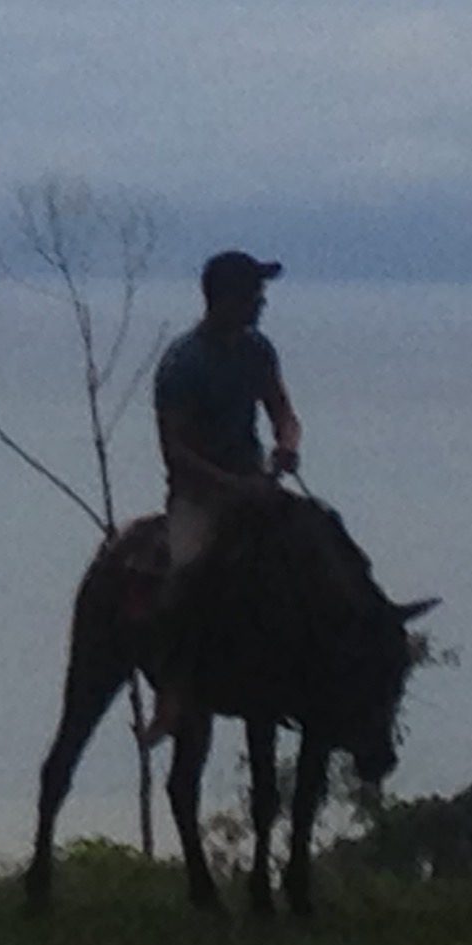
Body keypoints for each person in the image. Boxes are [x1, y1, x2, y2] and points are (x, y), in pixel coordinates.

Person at [147, 248, 303, 701]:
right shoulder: (183, 363)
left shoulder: (258, 351)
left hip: (256, 485)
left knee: (319, 544)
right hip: (199, 497)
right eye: (254, 294)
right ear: (227, 298)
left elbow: (283, 412)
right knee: (186, 573)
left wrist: (287, 446)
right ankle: (174, 688)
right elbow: (176, 452)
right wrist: (234, 485)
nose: (261, 302)